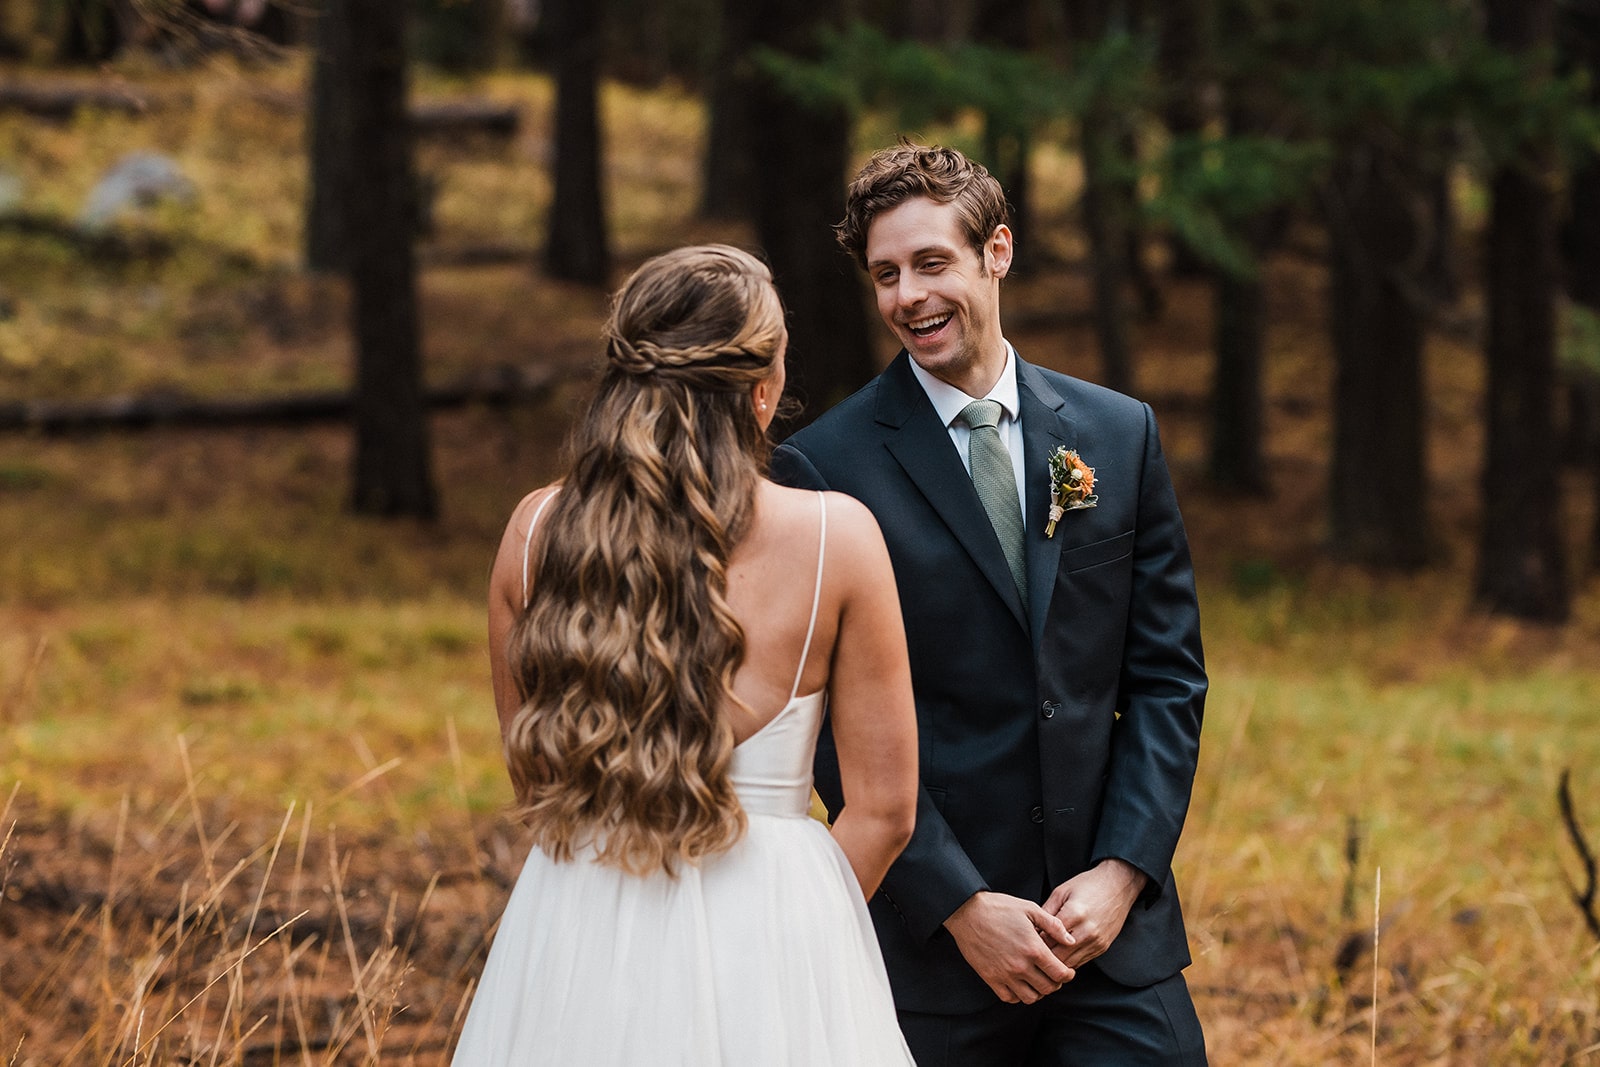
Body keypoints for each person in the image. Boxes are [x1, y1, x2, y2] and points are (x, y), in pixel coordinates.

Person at [772, 143, 1209, 1065]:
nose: (908, 297)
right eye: (886, 274)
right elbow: (824, 728)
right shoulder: (824, 467)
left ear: (997, 251)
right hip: (933, 956)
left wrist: (1124, 872)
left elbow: (1167, 677)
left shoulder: (1117, 434)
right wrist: (960, 906)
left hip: (1110, 946)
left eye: (931, 262)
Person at [453, 244, 919, 1065]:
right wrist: (794, 942)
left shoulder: (534, 535)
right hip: (778, 937)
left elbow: (540, 781)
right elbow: (884, 813)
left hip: (580, 925)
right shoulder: (836, 541)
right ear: (764, 392)